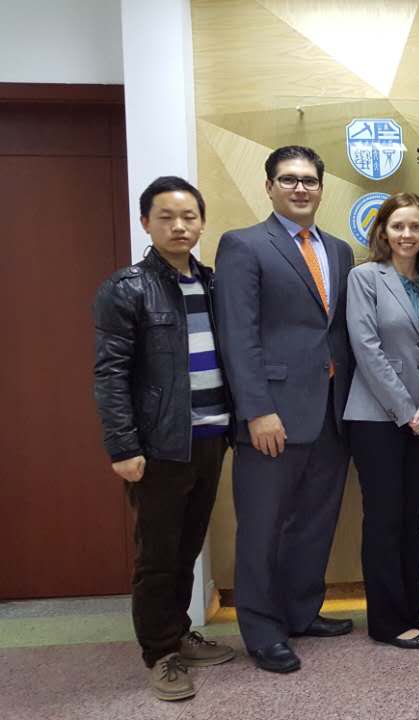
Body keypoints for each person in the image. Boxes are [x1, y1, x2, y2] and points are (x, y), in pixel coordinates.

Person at [92, 176, 236, 701]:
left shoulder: (214, 283)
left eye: (189, 217)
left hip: (212, 435)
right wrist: (123, 446)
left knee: (188, 545)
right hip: (159, 445)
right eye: (166, 217)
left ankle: (178, 632)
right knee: (157, 555)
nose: (179, 226)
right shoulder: (126, 287)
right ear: (145, 223)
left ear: (201, 222)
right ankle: (161, 653)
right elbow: (110, 373)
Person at [214, 146, 356, 674]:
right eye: (289, 179)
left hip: (331, 413)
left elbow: (333, 330)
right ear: (269, 186)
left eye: (309, 180)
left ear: (321, 187)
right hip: (271, 415)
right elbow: (238, 334)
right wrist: (256, 410)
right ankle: (262, 631)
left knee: (315, 522)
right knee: (262, 528)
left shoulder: (339, 250)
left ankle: (301, 612)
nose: (300, 188)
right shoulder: (244, 245)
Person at [344, 192, 419, 650]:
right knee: (384, 519)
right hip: (376, 419)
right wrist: (407, 411)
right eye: (398, 226)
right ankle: (386, 622)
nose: (407, 234)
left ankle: (411, 611)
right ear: (383, 231)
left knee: (411, 519)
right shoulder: (364, 277)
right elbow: (366, 349)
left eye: (415, 226)